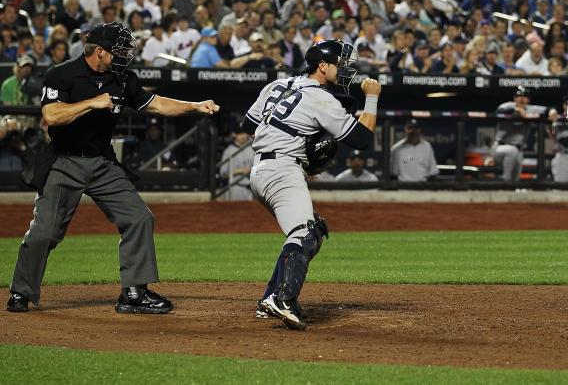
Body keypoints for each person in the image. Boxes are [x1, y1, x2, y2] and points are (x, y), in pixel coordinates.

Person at [7, 22, 220, 314]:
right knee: (45, 233)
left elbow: (155, 104)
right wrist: (92, 103)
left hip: (102, 163)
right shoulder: (62, 73)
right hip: (63, 162)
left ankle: (133, 293)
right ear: (98, 52)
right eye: (118, 51)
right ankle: (21, 292)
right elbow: (52, 115)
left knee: (139, 218)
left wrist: (194, 106)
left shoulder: (122, 79)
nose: (124, 56)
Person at [245, 40, 382, 329]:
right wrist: (372, 97)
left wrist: (294, 143)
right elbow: (362, 140)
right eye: (340, 64)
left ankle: (270, 298)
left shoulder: (277, 84)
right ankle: (282, 300)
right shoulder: (321, 98)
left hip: (260, 169)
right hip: (282, 168)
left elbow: (249, 126)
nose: (346, 70)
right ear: (322, 66)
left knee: (309, 229)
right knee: (305, 233)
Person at [492, 86, 549, 181]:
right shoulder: (508, 105)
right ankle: (505, 180)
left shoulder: (530, 109)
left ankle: (510, 187)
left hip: (519, 149)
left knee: (516, 179)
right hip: (500, 148)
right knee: (512, 151)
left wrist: (552, 111)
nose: (522, 98)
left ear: (528, 99)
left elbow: (548, 110)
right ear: (514, 98)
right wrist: (516, 110)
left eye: (525, 96)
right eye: (519, 96)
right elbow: (498, 112)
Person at [219, 125, 255, 201]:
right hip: (236, 187)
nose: (243, 136)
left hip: (251, 188)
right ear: (234, 135)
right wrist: (240, 171)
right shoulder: (229, 151)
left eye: (244, 133)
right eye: (239, 133)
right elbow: (223, 173)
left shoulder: (252, 148)